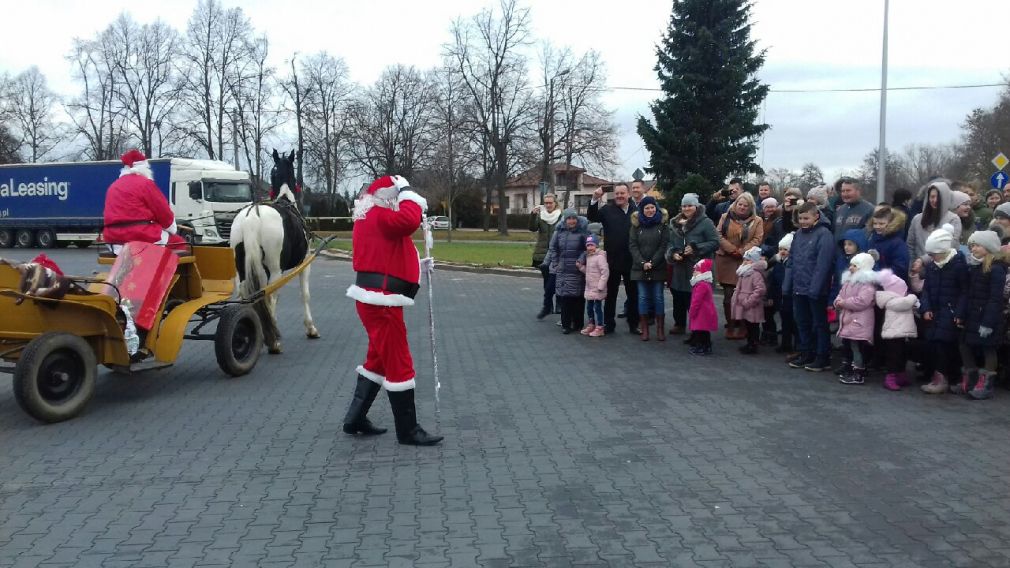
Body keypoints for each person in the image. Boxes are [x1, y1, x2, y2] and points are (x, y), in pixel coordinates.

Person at [342, 175, 442, 446]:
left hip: (376, 299)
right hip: (381, 302)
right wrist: (409, 191)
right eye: (396, 197)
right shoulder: (380, 215)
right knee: (399, 362)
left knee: (378, 360)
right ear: (388, 196)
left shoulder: (371, 216)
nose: (398, 202)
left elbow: (389, 254)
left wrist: (419, 266)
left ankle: (355, 418)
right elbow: (409, 220)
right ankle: (408, 430)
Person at [953, 230, 1007, 399]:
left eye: (976, 245)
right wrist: (961, 313)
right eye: (971, 246)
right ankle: (970, 378)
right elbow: (968, 293)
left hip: (987, 317)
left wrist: (988, 322)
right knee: (964, 344)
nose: (973, 249)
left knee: (988, 348)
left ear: (988, 247)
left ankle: (987, 383)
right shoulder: (975, 266)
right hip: (972, 314)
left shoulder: (996, 269)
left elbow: (995, 298)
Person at [102, 149, 187, 253]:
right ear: (144, 167)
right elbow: (163, 212)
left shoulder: (113, 186)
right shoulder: (145, 184)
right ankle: (163, 269)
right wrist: (171, 228)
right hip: (140, 235)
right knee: (180, 243)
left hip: (113, 239)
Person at [918, 225, 969, 394]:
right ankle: (941, 377)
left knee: (946, 344)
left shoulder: (958, 265)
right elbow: (926, 289)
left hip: (950, 311)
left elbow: (964, 291)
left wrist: (960, 312)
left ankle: (947, 378)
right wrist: (925, 307)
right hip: (935, 310)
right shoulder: (933, 266)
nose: (931, 257)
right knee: (935, 343)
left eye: (934, 254)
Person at [788, 201, 836, 372]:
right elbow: (792, 259)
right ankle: (806, 351)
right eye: (800, 218)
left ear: (816, 216)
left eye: (806, 218)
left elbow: (823, 265)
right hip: (799, 286)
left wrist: (815, 289)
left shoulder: (824, 235)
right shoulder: (798, 234)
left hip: (816, 289)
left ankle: (822, 356)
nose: (803, 221)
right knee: (803, 322)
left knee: (819, 324)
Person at [588, 184, 639, 335]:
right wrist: (595, 199)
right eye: (617, 193)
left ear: (628, 194)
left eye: (622, 193)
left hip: (632, 260)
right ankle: (609, 324)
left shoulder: (636, 211)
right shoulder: (607, 210)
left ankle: (633, 324)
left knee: (633, 295)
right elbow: (592, 216)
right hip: (612, 260)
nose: (619, 196)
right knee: (610, 295)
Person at [666, 193, 719, 335]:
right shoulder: (675, 223)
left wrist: (696, 248)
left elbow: (715, 242)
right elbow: (670, 243)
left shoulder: (705, 222)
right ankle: (680, 324)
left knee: (695, 300)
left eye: (690, 205)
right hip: (680, 267)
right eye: (684, 206)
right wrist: (673, 253)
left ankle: (697, 331)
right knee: (679, 296)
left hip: (698, 268)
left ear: (696, 206)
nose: (687, 208)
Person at [715, 193, 764, 340]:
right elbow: (718, 235)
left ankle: (744, 326)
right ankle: (730, 326)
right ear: (735, 204)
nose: (742, 207)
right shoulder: (725, 217)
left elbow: (757, 239)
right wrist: (732, 249)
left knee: (745, 294)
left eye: (746, 205)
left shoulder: (757, 220)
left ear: (751, 207)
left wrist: (742, 251)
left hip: (746, 260)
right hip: (726, 259)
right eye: (740, 204)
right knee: (728, 296)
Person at [629, 196, 670, 341]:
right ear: (642, 209)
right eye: (647, 208)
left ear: (656, 208)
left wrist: (653, 262)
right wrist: (642, 262)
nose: (650, 210)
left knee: (658, 298)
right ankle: (645, 329)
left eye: (652, 207)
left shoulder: (663, 225)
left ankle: (660, 329)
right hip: (640, 268)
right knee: (642, 298)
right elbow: (632, 246)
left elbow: (663, 245)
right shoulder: (636, 225)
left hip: (657, 267)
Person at [834, 253, 878, 385]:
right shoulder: (849, 281)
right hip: (849, 320)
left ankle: (858, 372)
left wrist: (843, 303)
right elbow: (840, 295)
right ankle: (851, 367)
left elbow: (862, 301)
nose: (851, 268)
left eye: (855, 266)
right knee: (849, 345)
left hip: (860, 321)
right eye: (851, 265)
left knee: (857, 347)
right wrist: (838, 302)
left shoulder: (867, 284)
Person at [543, 209, 589, 335]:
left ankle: (578, 323)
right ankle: (566, 324)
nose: (572, 221)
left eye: (574, 218)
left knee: (578, 298)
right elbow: (553, 248)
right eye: (569, 218)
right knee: (565, 298)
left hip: (577, 269)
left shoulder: (583, 232)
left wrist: (581, 260)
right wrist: (555, 263)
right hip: (563, 270)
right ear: (565, 220)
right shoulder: (558, 232)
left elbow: (588, 249)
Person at [876, 269, 917, 390]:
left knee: (902, 354)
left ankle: (901, 375)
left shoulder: (894, 298)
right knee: (894, 356)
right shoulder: (892, 301)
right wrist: (913, 296)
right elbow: (905, 303)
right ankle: (891, 377)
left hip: (899, 332)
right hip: (893, 333)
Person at [907, 181, 961, 261]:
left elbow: (950, 246)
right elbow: (910, 245)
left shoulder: (953, 219)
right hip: (919, 270)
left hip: (943, 268)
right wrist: (912, 267)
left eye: (938, 197)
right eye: (932, 197)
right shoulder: (917, 219)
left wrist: (923, 260)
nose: (935, 200)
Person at [529, 193, 562, 319]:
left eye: (550, 203)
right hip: (542, 253)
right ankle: (548, 306)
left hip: (558, 253)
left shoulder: (561, 216)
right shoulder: (541, 216)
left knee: (559, 280)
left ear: (555, 203)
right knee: (547, 281)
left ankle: (559, 303)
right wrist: (532, 216)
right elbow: (532, 228)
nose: (548, 205)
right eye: (546, 203)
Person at [731, 246, 768, 354]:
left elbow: (760, 290)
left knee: (753, 326)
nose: (745, 261)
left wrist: (749, 301)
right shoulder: (744, 272)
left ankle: (753, 345)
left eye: (748, 260)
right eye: (745, 259)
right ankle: (749, 343)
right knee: (748, 325)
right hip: (744, 304)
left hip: (751, 305)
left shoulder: (755, 274)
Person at [771, 233, 798, 355]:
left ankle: (796, 346)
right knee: (784, 322)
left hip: (789, 297)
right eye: (780, 249)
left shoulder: (791, 264)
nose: (782, 252)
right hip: (780, 296)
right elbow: (774, 280)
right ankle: (785, 344)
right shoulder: (778, 263)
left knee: (793, 322)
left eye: (785, 249)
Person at [577, 234, 609, 337]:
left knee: (597, 307)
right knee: (589, 307)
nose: (590, 247)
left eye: (592, 245)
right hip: (590, 288)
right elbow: (589, 272)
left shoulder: (600, 257)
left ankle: (600, 327)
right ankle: (591, 324)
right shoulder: (589, 257)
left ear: (596, 245)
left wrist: (601, 285)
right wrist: (581, 267)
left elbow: (605, 272)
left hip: (598, 288)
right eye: (588, 245)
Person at [687, 258, 718, 356]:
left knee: (701, 331)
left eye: (697, 270)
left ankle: (703, 347)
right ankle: (703, 346)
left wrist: (692, 311)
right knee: (703, 331)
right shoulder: (703, 283)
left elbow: (697, 301)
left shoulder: (701, 285)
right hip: (703, 312)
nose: (694, 271)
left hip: (702, 313)